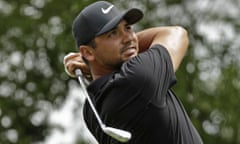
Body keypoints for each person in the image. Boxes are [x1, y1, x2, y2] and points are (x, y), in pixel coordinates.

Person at [64, 1, 203, 144]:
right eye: (113, 33)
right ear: (87, 52)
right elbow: (176, 34)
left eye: (128, 28)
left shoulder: (91, 111)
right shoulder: (136, 78)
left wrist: (92, 64)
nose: (129, 37)